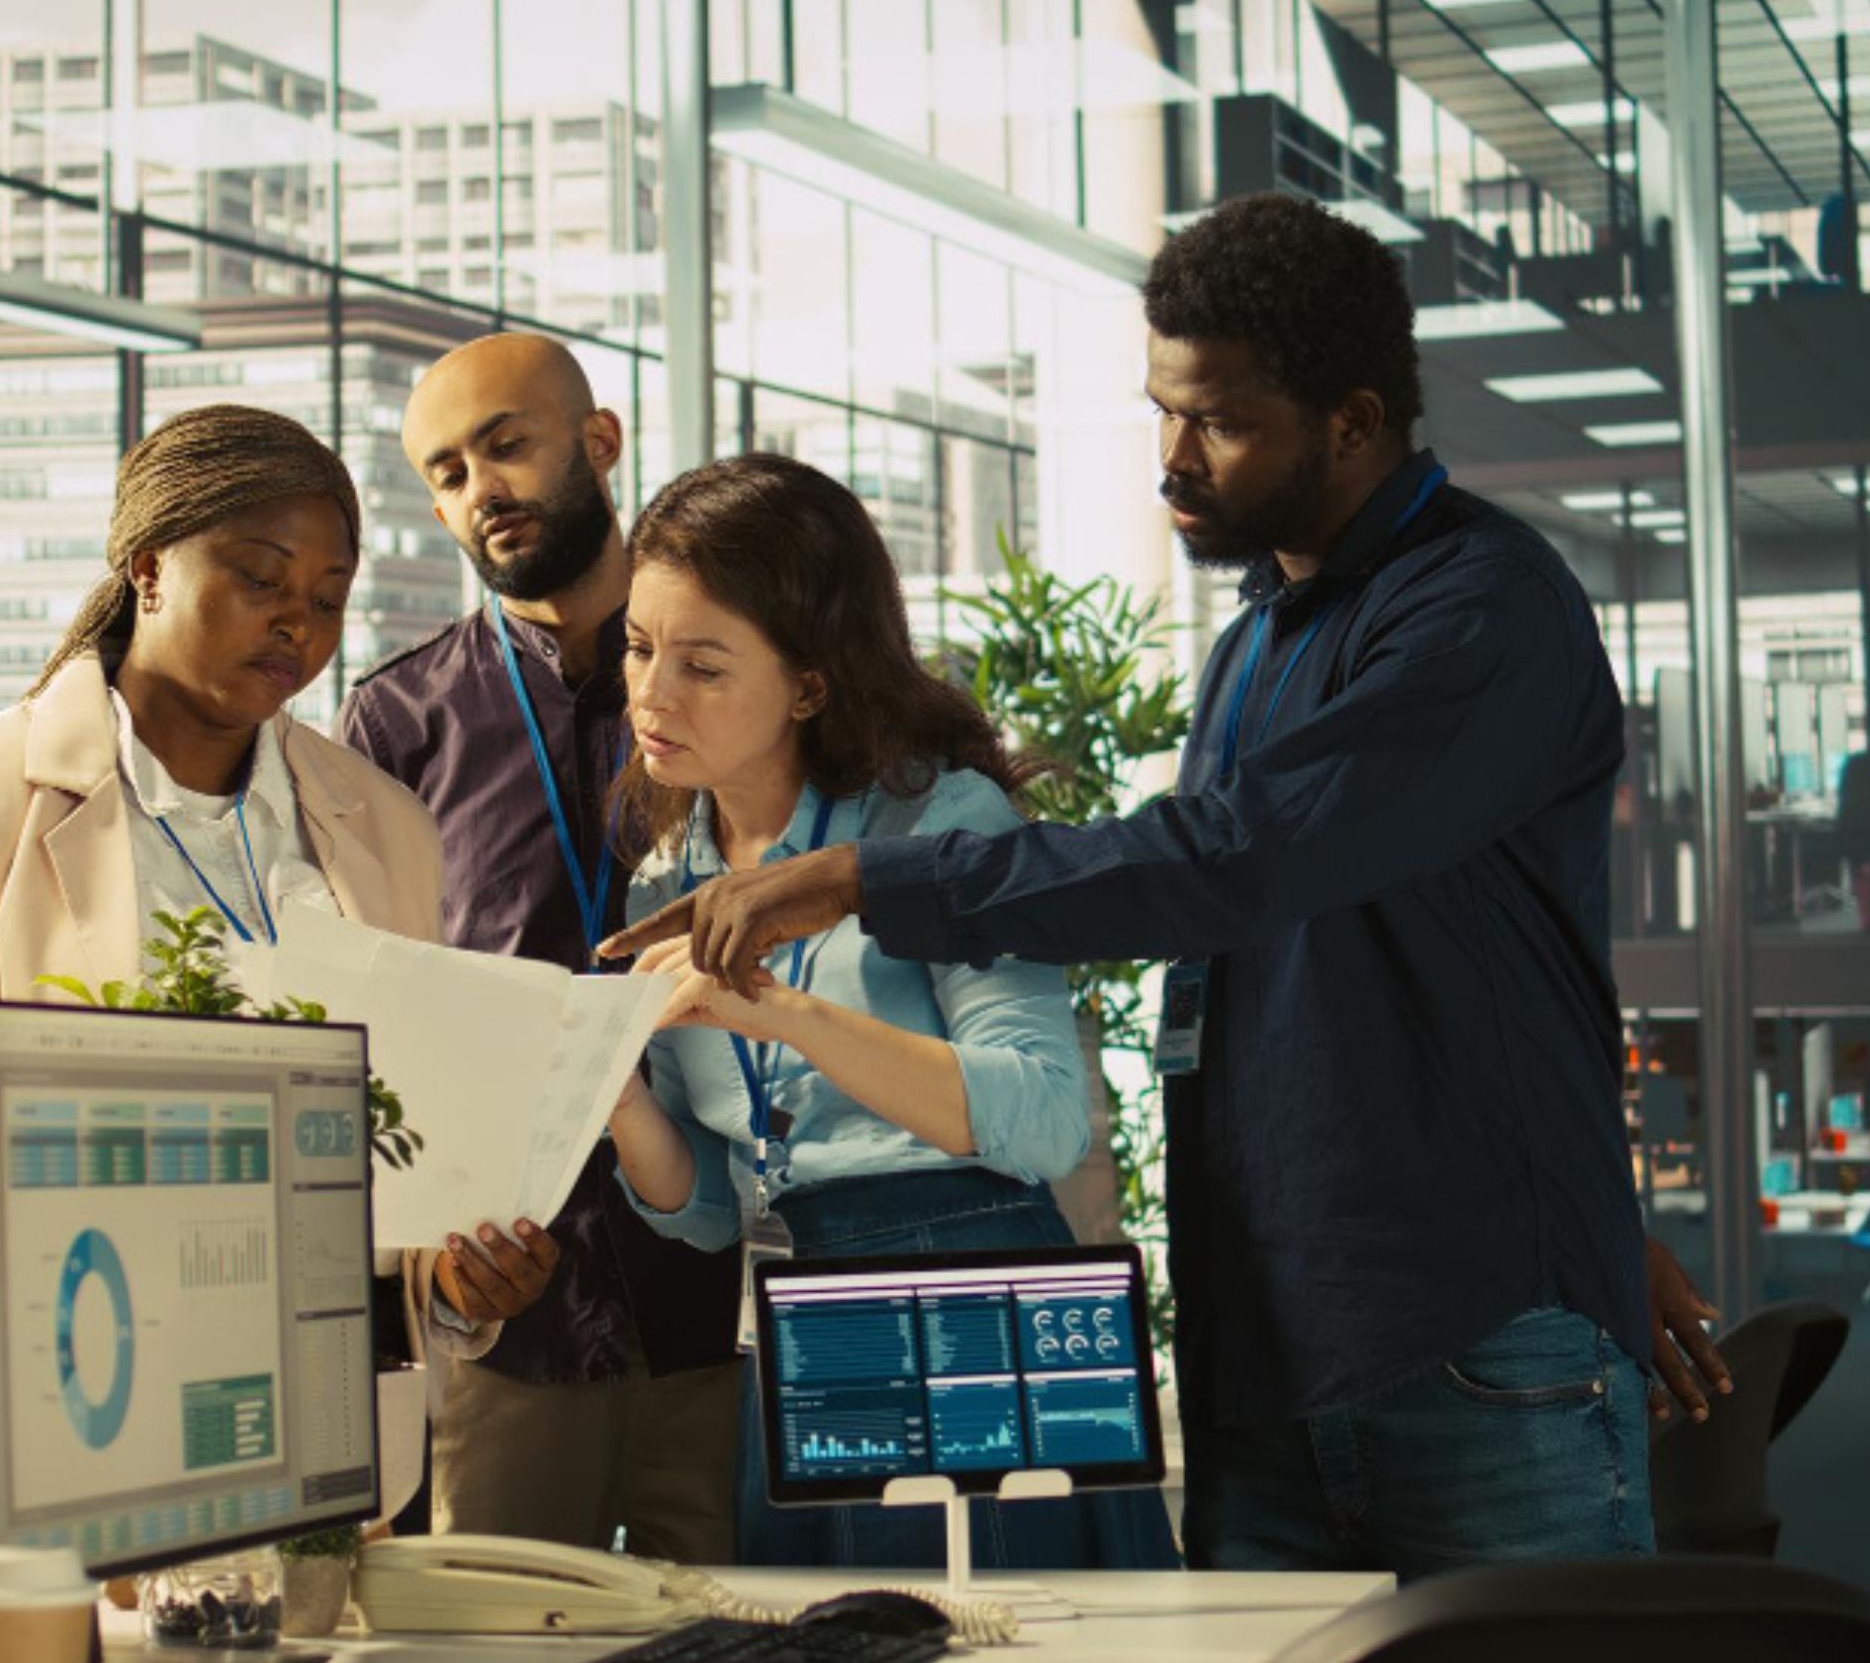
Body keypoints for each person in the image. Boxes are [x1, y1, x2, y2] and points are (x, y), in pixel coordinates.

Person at [605, 194, 1734, 1581]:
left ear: (1356, 423)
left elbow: (1235, 861)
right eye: (1161, 410)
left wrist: (858, 880)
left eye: (1220, 421)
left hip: (1467, 1340)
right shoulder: (1261, 634)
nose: (1172, 460)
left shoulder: (1482, 611)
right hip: (1269, 1349)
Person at [0, 402, 559, 1347]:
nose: (298, 622)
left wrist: (453, 1279)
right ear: (149, 569)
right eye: (260, 578)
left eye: (329, 597)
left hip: (322, 1364)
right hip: (76, 1349)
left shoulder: (388, 825)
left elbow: (409, 1140)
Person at [601, 452, 1178, 1568]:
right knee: (824, 1651)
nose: (650, 694)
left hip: (972, 1288)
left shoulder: (936, 828)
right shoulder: (664, 879)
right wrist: (616, 1088)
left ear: (809, 683)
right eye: (637, 647)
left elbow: (1045, 1116)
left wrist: (789, 1016)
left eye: (703, 665)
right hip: (790, 1319)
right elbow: (710, 1207)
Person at [336, 335, 744, 1561]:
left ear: (600, 443)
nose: (481, 490)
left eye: (506, 444)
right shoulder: (393, 723)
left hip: (722, 1292)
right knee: (500, 1652)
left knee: (757, 1651)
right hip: (508, 1302)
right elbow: (374, 1015)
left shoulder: (731, 677)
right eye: (447, 472)